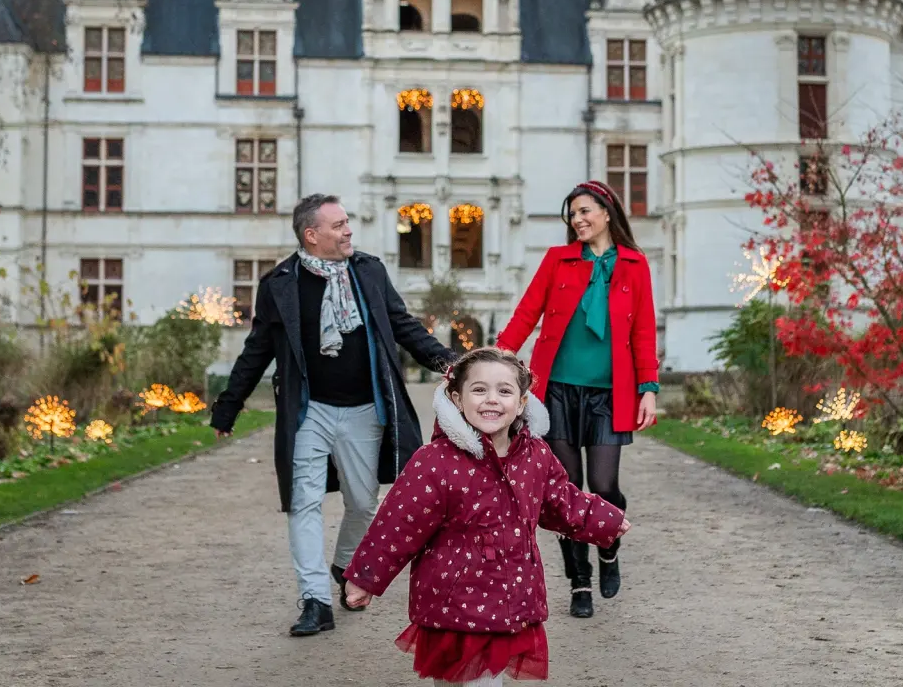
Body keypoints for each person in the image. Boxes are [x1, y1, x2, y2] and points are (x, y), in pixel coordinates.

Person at [210, 193, 457, 637]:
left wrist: (448, 364)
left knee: (363, 503)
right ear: (312, 235)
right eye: (339, 224)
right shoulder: (279, 285)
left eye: (347, 223)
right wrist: (228, 405)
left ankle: (345, 565)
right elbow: (257, 351)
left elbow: (403, 326)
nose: (348, 231)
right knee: (302, 502)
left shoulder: (369, 272)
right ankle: (314, 600)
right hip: (310, 413)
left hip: (365, 410)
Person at [342, 348, 628, 686]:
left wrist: (605, 519)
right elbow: (397, 524)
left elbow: (561, 501)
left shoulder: (534, 457)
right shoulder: (435, 462)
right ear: (456, 398)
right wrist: (365, 577)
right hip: (456, 602)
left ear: (522, 403)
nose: (491, 400)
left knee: (485, 680)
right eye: (479, 389)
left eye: (504, 391)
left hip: (510, 597)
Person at [494, 179, 658, 619]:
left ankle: (608, 546)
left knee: (604, 488)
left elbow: (643, 330)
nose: (578, 220)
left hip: (610, 394)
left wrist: (649, 389)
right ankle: (579, 582)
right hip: (558, 392)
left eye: (585, 211)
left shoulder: (635, 265)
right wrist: (496, 357)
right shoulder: (558, 260)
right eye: (573, 214)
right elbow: (527, 313)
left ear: (607, 213)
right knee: (566, 492)